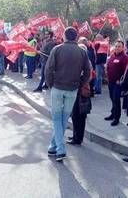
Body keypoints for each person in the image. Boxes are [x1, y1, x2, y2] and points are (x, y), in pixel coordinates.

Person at [45, 27, 91, 162]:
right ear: (76, 37)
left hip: (58, 87)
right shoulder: (82, 52)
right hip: (72, 89)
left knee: (57, 118)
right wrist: (80, 83)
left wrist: (50, 84)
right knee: (64, 118)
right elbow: (87, 72)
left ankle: (60, 149)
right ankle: (53, 146)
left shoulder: (57, 49)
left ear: (65, 36)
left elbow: (49, 69)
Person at [67, 43, 93, 145]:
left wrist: (79, 80)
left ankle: (78, 138)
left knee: (80, 116)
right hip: (76, 90)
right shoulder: (77, 62)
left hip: (82, 92)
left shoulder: (87, 63)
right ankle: (75, 135)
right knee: (74, 115)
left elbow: (89, 77)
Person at [105, 40, 128, 126]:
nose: (117, 48)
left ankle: (116, 118)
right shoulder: (112, 56)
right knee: (112, 99)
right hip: (110, 82)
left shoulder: (125, 58)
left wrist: (120, 80)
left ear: (123, 48)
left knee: (116, 100)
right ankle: (113, 114)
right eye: (116, 46)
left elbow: (126, 71)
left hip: (117, 84)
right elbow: (108, 66)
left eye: (119, 46)